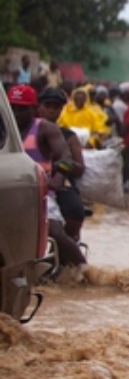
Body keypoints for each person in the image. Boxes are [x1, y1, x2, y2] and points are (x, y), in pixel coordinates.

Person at [10, 84, 87, 269]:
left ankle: (86, 271)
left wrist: (59, 176)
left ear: (33, 108)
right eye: (13, 108)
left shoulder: (47, 129)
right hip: (11, 192)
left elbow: (66, 158)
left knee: (55, 229)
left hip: (42, 191)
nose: (17, 113)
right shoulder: (4, 129)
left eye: (22, 108)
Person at [36, 87, 87, 241]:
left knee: (75, 211)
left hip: (60, 185)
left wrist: (58, 167)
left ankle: (70, 242)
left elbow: (79, 167)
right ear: (39, 107)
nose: (51, 111)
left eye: (56, 107)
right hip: (33, 182)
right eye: (47, 106)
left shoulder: (69, 136)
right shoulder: (27, 131)